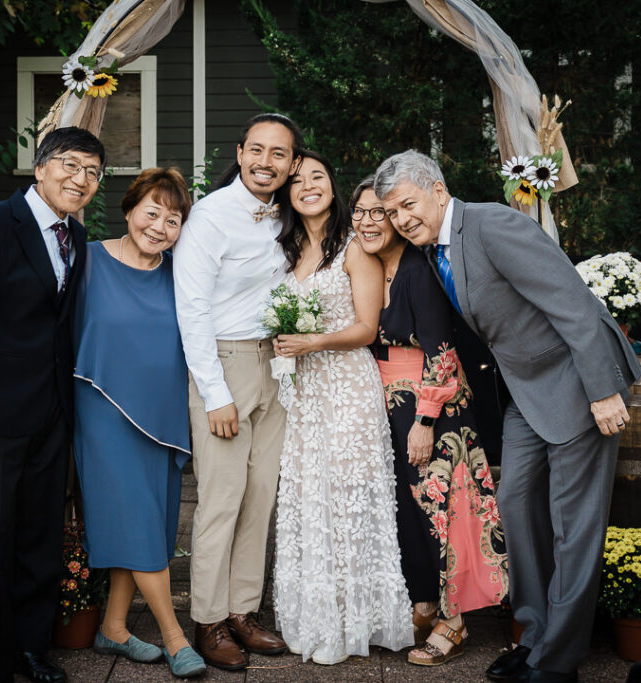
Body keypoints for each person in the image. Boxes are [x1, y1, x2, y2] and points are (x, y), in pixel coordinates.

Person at [373, 150, 641, 683]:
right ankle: (533, 635)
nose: (402, 219)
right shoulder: (432, 247)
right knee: (516, 508)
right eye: (393, 212)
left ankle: (557, 661)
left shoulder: (492, 224)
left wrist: (603, 389)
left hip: (576, 382)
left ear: (438, 190)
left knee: (573, 528)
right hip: (526, 390)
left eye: (408, 204)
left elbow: (573, 303)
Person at [0, 126, 104, 683]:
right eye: (71, 166)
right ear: (40, 168)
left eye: (92, 173)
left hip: (53, 412)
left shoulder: (77, 238)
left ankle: (32, 649)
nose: (80, 180)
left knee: (40, 538)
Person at [351, 177, 508, 667]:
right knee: (406, 510)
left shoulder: (419, 271)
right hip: (389, 405)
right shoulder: (373, 269)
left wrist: (425, 420)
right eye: (361, 212)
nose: (370, 221)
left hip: (432, 407)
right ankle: (423, 603)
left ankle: (455, 621)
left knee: (443, 512)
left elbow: (442, 352)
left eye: (382, 212)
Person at [270, 151, 412, 665]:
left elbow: (366, 330)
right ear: (287, 191)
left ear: (333, 186)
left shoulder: (355, 248)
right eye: (299, 179)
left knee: (351, 498)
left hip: (348, 387)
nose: (309, 185)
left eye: (319, 177)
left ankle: (361, 620)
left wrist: (309, 342)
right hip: (303, 396)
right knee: (312, 498)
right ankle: (318, 615)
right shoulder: (284, 251)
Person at [172, 113, 302, 671]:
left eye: (279, 154)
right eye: (257, 150)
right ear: (241, 151)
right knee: (221, 501)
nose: (266, 162)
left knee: (259, 498)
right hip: (224, 365)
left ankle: (244, 612)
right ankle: (208, 619)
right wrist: (214, 392)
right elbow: (192, 308)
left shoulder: (289, 214)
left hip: (276, 365)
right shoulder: (209, 216)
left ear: (292, 163)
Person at [70, 167, 206, 679]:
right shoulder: (86, 260)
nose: (160, 227)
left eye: (173, 220)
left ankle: (114, 627)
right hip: (102, 408)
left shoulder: (181, 272)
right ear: (129, 210)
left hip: (163, 417)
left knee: (148, 521)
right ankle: (174, 638)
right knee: (139, 521)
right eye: (152, 212)